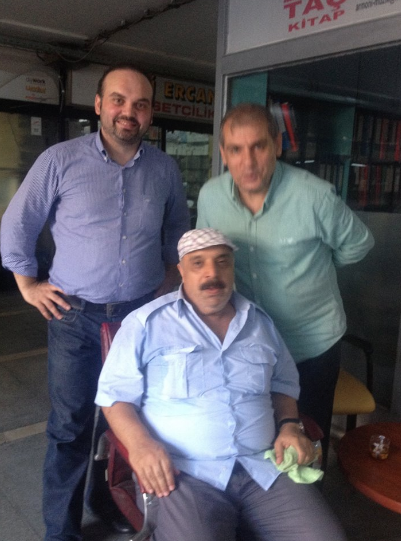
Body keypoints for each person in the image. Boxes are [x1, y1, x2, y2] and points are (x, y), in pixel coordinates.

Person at [0, 64, 189, 541]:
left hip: (139, 320)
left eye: (140, 104)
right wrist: (28, 285)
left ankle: (108, 501)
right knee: (71, 427)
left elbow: (176, 233)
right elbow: (18, 223)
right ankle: (60, 532)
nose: (129, 111)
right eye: (119, 100)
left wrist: (169, 281)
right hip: (74, 318)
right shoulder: (60, 160)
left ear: (150, 114)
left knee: (127, 421)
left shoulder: (164, 169)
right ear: (100, 105)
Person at [95, 228, 347, 541]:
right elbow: (114, 397)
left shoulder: (260, 322)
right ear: (181, 270)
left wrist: (289, 426)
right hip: (183, 473)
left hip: (262, 466)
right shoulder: (146, 323)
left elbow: (283, 383)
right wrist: (140, 445)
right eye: (198, 263)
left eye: (222, 262)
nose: (212, 273)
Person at [196, 103, 374, 468]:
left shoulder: (315, 196)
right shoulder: (211, 197)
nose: (248, 161)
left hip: (311, 345)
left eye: (258, 146)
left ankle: (309, 494)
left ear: (277, 144)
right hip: (250, 344)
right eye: (236, 149)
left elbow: (359, 243)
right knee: (257, 435)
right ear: (223, 153)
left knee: (308, 441)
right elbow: (206, 254)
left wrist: (319, 266)